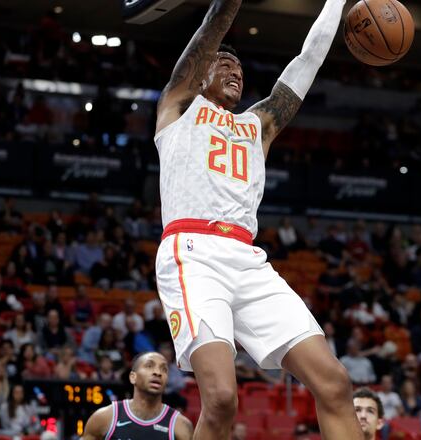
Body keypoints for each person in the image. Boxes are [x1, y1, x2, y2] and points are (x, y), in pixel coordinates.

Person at [153, 0, 361, 438]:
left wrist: (338, 3)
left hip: (248, 259)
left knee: (335, 383)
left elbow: (307, 61)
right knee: (223, 399)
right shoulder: (178, 107)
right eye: (224, 64)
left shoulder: (258, 126)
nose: (235, 72)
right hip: (193, 253)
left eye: (240, 68)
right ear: (200, 71)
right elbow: (212, 28)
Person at [82, 352, 193, 439]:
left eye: (164, 369)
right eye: (149, 366)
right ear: (132, 377)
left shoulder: (181, 426)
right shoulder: (104, 417)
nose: (158, 373)